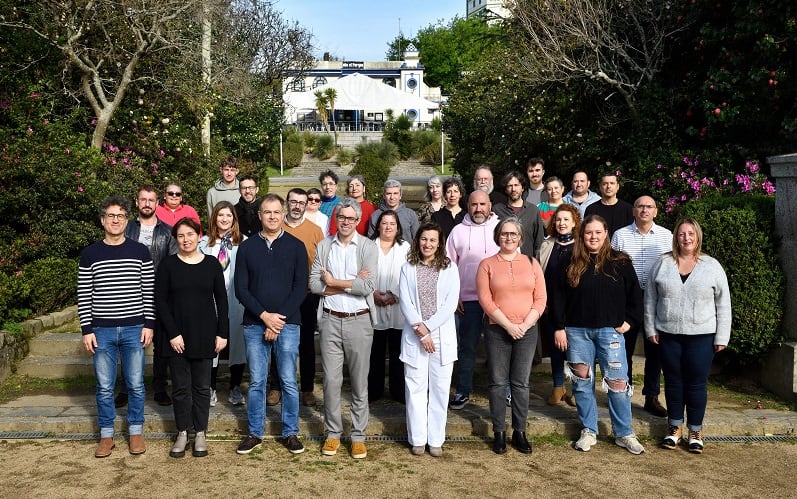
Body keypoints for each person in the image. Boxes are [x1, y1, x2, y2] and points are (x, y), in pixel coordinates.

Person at [550, 215, 645, 455]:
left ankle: (624, 433)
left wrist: (629, 322)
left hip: (609, 332)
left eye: (598, 232)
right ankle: (588, 430)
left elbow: (635, 296)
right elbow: (558, 297)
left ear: (606, 234)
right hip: (576, 332)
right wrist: (559, 327)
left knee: (618, 383)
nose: (593, 237)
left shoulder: (620, 262)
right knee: (582, 383)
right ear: (582, 235)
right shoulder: (569, 260)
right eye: (588, 232)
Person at [645, 218, 731, 454]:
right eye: (682, 234)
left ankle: (695, 431)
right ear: (676, 237)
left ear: (698, 236)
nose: (686, 238)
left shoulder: (711, 265)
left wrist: (722, 336)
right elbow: (650, 299)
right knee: (673, 382)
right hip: (668, 335)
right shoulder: (663, 263)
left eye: (691, 234)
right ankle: (674, 428)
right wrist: (651, 329)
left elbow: (723, 303)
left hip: (701, 336)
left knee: (696, 384)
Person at [78, 195, 155, 458]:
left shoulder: (139, 251)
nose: (115, 220)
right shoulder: (90, 254)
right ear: (102, 220)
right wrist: (86, 329)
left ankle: (135, 431)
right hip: (102, 330)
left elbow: (149, 291)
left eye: (120, 216)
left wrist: (149, 324)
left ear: (126, 220)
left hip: (135, 327)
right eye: (110, 215)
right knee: (104, 386)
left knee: (135, 384)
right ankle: (107, 435)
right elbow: (84, 293)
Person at [234, 194, 308, 455]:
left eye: (277, 212)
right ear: (260, 215)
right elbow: (240, 289)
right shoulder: (247, 247)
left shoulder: (297, 247)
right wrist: (265, 316)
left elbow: (301, 288)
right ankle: (255, 432)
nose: (273, 216)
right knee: (256, 381)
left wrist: (277, 320)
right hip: (255, 324)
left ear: (283, 213)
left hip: (288, 325)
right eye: (267, 212)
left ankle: (290, 432)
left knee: (288, 380)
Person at [310, 197, 378, 459]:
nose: (346, 221)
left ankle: (358, 435)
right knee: (331, 381)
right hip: (330, 319)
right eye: (342, 217)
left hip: (359, 321)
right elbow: (314, 284)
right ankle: (333, 433)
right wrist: (350, 283)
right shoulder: (325, 246)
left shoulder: (367, 247)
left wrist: (334, 282)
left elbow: (368, 287)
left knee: (360, 382)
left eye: (351, 218)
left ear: (358, 220)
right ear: (335, 218)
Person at [156, 217, 229, 458]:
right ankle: (182, 432)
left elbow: (222, 301)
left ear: (199, 236)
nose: (186, 240)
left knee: (201, 387)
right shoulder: (167, 265)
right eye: (180, 236)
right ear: (175, 239)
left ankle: (200, 433)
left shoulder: (211, 264)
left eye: (190, 234)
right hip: (176, 337)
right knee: (180, 388)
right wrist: (173, 333)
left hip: (205, 335)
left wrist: (222, 333)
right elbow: (161, 302)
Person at [477, 217, 547, 455]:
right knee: (497, 382)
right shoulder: (487, 264)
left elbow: (541, 298)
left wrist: (525, 324)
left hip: (527, 331)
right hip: (498, 329)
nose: (509, 238)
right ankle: (498, 432)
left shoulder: (532, 262)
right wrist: (508, 325)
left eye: (513, 234)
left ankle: (519, 431)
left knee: (520, 383)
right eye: (504, 234)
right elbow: (486, 300)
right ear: (498, 236)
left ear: (520, 238)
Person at [399, 222, 460, 457]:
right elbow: (405, 302)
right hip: (416, 334)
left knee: (440, 388)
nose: (428, 244)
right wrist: (422, 332)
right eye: (424, 239)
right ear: (418, 241)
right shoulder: (407, 267)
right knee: (415, 388)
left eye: (433, 240)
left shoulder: (449, 268)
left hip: (440, 333)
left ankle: (435, 439)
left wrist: (429, 329)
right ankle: (417, 438)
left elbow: (450, 304)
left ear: (439, 243)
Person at [114, 186, 177, 409]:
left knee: (160, 345)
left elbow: (171, 264)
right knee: (129, 343)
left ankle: (160, 388)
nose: (147, 204)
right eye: (143, 200)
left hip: (159, 295)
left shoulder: (168, 231)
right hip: (129, 294)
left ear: (157, 202)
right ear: (137, 201)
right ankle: (126, 389)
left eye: (151, 200)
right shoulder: (126, 229)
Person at [611, 196, 673, 417]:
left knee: (655, 349)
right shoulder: (620, 235)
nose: (644, 210)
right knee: (624, 348)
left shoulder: (667, 237)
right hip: (628, 299)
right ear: (633, 210)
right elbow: (612, 267)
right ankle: (623, 394)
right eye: (640, 206)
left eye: (649, 207)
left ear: (656, 211)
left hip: (656, 298)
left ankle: (652, 396)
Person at [445, 190, 500, 410]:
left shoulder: (501, 228)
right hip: (467, 300)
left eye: (482, 204)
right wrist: (454, 294)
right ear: (468, 205)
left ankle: (501, 390)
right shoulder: (457, 232)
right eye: (474, 204)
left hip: (496, 302)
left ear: (490, 205)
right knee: (466, 347)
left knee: (498, 348)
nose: (478, 208)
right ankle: (463, 390)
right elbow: (447, 266)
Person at [198, 201, 246, 408]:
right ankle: (211, 387)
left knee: (237, 342)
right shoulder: (203, 244)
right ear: (214, 218)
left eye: (228, 215)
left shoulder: (243, 242)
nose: (224, 219)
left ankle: (235, 386)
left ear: (234, 219)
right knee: (212, 343)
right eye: (220, 215)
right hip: (211, 301)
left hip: (236, 299)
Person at [281, 188, 325, 406]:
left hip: (307, 295)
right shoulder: (276, 226)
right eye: (293, 202)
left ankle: (307, 388)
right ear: (287, 203)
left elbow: (322, 263)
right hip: (280, 295)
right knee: (278, 340)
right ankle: (275, 387)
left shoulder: (315, 231)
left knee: (306, 343)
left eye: (301, 202)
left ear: (307, 204)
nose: (297, 206)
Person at [537, 204, 580, 407]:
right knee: (556, 348)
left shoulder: (581, 246)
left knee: (576, 350)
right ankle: (557, 386)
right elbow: (540, 275)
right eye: (558, 219)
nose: (561, 223)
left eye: (566, 219)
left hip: (575, 308)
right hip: (550, 306)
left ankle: (575, 389)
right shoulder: (547, 245)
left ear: (574, 223)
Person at [369, 210, 411, 403]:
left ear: (397, 227)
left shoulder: (406, 248)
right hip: (374, 305)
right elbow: (361, 274)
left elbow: (410, 276)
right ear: (378, 226)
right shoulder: (369, 246)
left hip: (398, 308)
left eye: (392, 224)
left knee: (397, 353)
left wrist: (395, 294)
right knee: (375, 353)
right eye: (384, 223)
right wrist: (373, 293)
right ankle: (374, 390)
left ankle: (398, 390)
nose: (388, 227)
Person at [492, 170, 545, 257]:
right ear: (505, 189)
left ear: (522, 188)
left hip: (528, 263)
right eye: (510, 186)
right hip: (503, 261)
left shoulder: (533, 210)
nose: (513, 189)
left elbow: (539, 242)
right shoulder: (497, 210)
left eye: (516, 185)